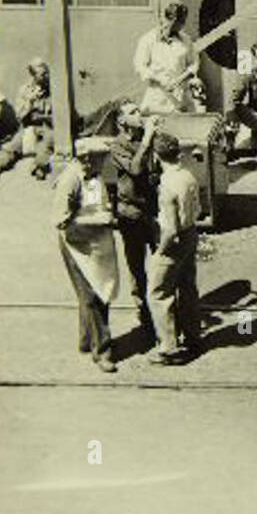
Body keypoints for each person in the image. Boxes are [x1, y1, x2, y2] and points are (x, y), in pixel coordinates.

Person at [53, 136, 120, 374]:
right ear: (87, 159)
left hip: (96, 242)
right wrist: (97, 220)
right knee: (94, 296)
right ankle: (102, 351)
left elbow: (94, 201)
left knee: (91, 294)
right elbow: (60, 220)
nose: (104, 164)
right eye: (101, 159)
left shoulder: (91, 174)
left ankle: (85, 341)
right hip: (77, 244)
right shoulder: (70, 179)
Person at [146, 131, 202, 365]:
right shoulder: (189, 175)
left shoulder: (167, 183)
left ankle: (169, 348)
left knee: (158, 293)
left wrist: (160, 251)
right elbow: (198, 210)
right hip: (191, 234)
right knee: (187, 287)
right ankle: (193, 336)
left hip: (175, 241)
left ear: (157, 156)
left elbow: (170, 228)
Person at [109, 103, 158, 339]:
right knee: (137, 267)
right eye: (133, 112)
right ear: (122, 122)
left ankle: (163, 311)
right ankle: (145, 316)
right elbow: (136, 169)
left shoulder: (149, 136)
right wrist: (148, 139)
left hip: (152, 210)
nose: (140, 115)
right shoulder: (118, 145)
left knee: (161, 263)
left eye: (139, 110)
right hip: (130, 214)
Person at [0, 57, 53, 181]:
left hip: (49, 127)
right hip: (30, 127)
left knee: (47, 144)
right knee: (12, 146)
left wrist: (44, 117)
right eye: (42, 74)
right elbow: (19, 116)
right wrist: (29, 102)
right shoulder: (24, 90)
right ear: (33, 75)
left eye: (47, 72)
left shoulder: (56, 89)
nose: (46, 77)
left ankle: (39, 167)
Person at [133, 2, 199, 115]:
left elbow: (194, 64)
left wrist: (180, 80)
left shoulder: (186, 41)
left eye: (181, 24)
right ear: (165, 19)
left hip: (181, 97)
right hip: (158, 97)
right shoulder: (148, 40)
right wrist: (160, 80)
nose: (177, 28)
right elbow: (140, 66)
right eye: (173, 24)